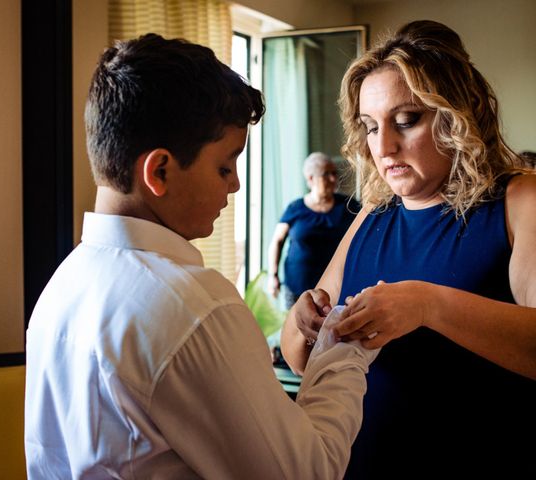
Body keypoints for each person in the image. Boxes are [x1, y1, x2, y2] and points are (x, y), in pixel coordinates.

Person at [24, 33, 380, 479]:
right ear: (159, 171)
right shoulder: (193, 309)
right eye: (224, 167)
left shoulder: (64, 282)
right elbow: (305, 473)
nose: (234, 186)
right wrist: (341, 351)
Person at [280, 20, 536, 478]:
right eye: (370, 127)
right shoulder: (372, 213)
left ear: (459, 113)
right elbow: (301, 358)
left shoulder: (520, 203)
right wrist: (304, 321)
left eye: (406, 121)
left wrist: (429, 304)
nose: (385, 146)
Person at [267, 151, 359, 308]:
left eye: (334, 173)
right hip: (298, 288)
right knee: (297, 330)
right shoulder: (295, 208)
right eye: (326, 174)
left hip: (336, 287)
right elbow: (277, 241)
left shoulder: (348, 205)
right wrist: (273, 275)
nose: (333, 179)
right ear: (310, 179)